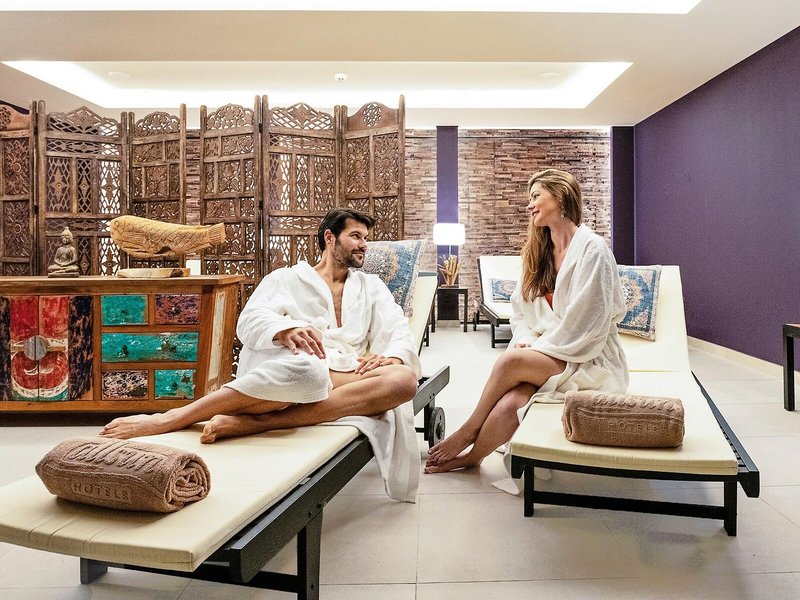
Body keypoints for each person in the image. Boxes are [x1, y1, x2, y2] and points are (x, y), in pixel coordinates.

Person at [101, 208, 420, 445]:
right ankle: (171, 418)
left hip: (345, 371)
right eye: (356, 236)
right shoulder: (286, 278)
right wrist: (284, 329)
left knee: (403, 380)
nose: (364, 245)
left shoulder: (371, 286)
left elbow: (397, 329)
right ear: (329, 237)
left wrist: (392, 357)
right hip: (297, 368)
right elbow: (249, 321)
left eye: (366, 238)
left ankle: (260, 422)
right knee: (309, 371)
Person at [426, 168, 629, 474]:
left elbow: (588, 323)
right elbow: (519, 311)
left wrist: (534, 349)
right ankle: (474, 456)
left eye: (536, 196)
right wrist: (525, 340)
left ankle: (468, 430)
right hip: (549, 351)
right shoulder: (537, 252)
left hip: (588, 357)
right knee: (512, 402)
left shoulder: (593, 251)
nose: (529, 205)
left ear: (560, 197)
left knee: (510, 362)